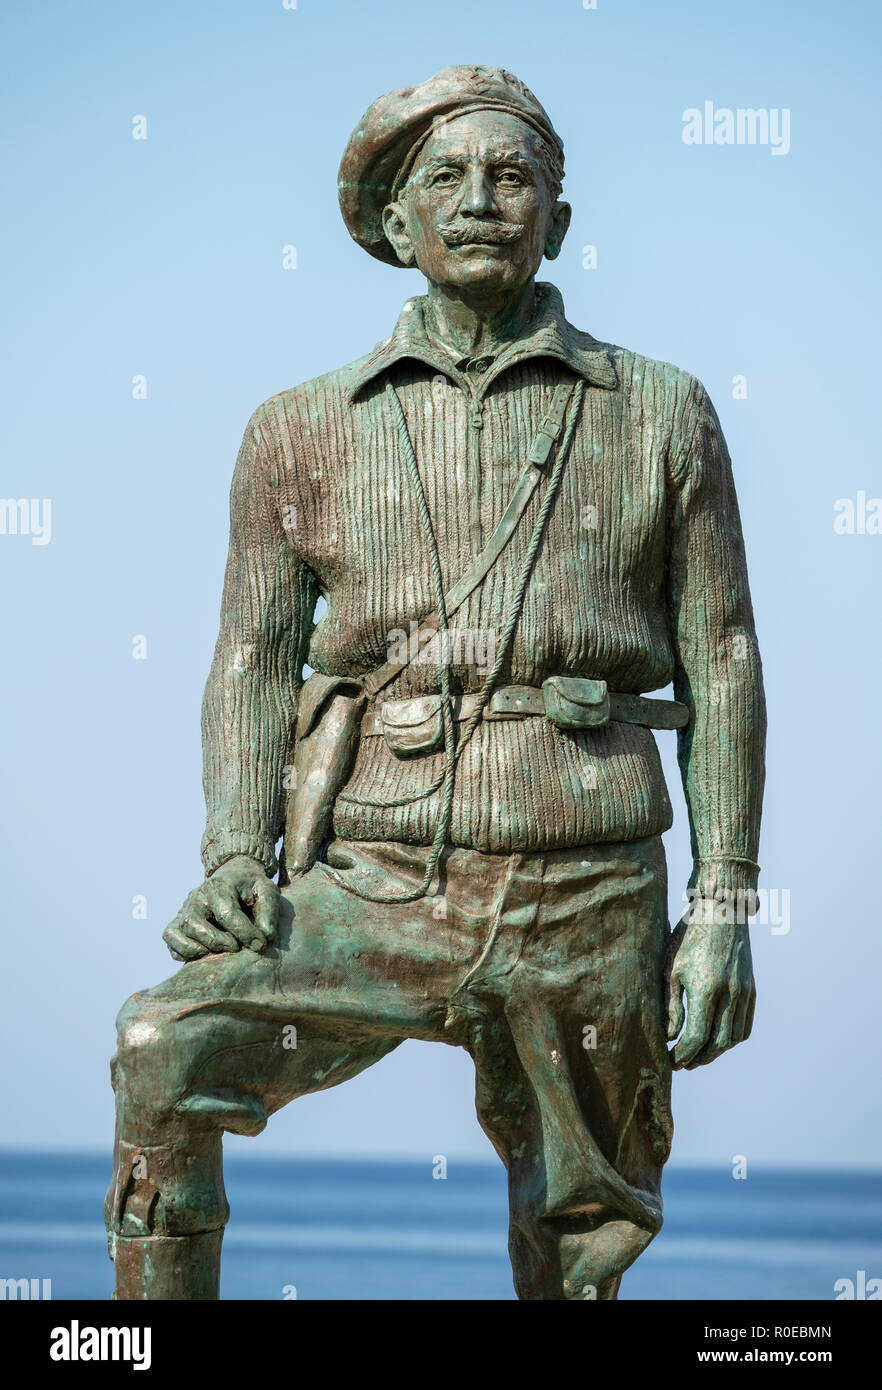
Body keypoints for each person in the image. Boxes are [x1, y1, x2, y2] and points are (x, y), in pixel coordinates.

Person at [106, 64, 766, 1301]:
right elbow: (250, 656)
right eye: (444, 181)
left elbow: (725, 658)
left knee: (581, 1246)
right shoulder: (298, 427)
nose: (480, 203)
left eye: (513, 178)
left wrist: (725, 907)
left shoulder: (664, 412)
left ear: (557, 220)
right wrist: (235, 855)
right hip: (372, 879)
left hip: (589, 880)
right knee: (164, 1044)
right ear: (398, 226)